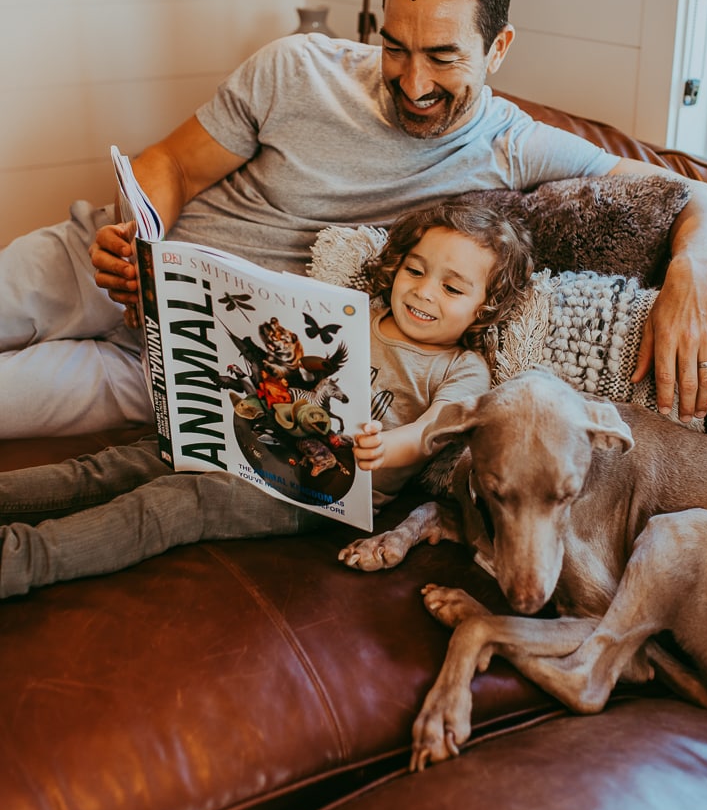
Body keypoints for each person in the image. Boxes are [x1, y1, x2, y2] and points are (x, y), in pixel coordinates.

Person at [0, 0, 707, 437]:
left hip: (198, 360)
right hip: (103, 266)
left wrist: (694, 274)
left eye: (444, 57)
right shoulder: (296, 67)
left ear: (499, 46)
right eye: (395, 47)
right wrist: (136, 235)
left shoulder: (515, 144)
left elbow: (697, 194)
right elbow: (171, 162)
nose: (412, 82)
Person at [0, 200, 532, 597]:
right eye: (416, 270)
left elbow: (435, 428)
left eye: (453, 288)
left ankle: (20, 561)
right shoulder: (352, 311)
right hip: (246, 434)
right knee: (111, 466)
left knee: (175, 504)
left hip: (315, 492)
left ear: (484, 309)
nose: (424, 291)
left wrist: (388, 446)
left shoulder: (462, 367)